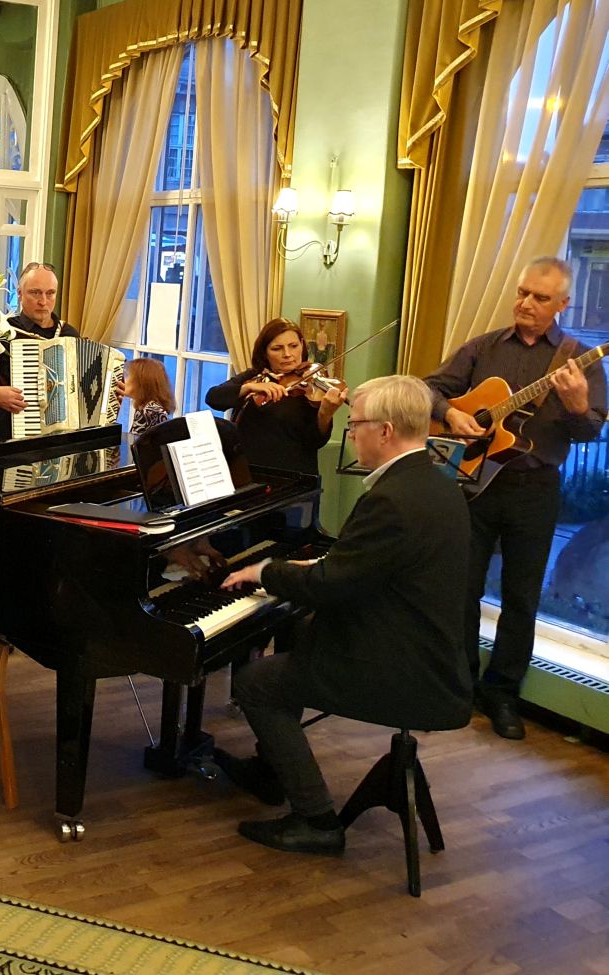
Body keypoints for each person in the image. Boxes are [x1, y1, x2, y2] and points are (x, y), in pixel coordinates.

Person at [216, 375, 472, 854]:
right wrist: (313, 568)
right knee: (296, 632)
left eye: (355, 425)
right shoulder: (436, 482)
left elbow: (331, 586)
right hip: (428, 647)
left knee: (256, 683)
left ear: (385, 431)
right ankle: (272, 767)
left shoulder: (391, 499)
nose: (350, 434)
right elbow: (367, 567)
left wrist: (266, 571)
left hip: (401, 664)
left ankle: (316, 819)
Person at [425, 256, 607, 741]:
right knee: (462, 588)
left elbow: (590, 431)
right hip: (474, 484)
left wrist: (577, 405)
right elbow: (430, 388)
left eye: (540, 298)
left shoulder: (580, 360)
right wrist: (452, 414)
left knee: (521, 598)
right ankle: (460, 684)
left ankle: (502, 693)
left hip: (535, 489)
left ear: (563, 304)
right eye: (522, 292)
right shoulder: (483, 347)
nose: (525, 303)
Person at [205, 318, 345, 474]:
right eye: (277, 348)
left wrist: (325, 413)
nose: (287, 354)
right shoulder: (254, 376)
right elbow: (213, 398)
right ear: (264, 352)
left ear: (302, 345)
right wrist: (248, 387)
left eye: (293, 346)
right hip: (245, 473)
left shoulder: (309, 385)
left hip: (290, 476)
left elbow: (315, 441)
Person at [0, 262, 79, 441]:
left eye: (50, 293)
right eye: (35, 293)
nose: (43, 301)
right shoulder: (3, 333)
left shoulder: (69, 335)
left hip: (63, 441)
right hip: (11, 441)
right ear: (19, 293)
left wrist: (110, 393)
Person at [123, 356, 175, 440]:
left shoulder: (152, 409)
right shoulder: (142, 406)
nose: (123, 379)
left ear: (141, 382)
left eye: (128, 376)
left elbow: (161, 443)